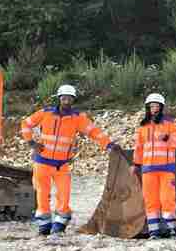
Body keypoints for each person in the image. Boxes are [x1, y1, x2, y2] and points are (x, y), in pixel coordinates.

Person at [21, 84, 117, 236]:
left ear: (73, 100)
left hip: (62, 165)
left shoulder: (78, 118)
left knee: (64, 196)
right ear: (59, 98)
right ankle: (44, 225)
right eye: (64, 97)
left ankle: (60, 224)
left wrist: (108, 144)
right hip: (42, 162)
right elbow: (26, 123)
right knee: (42, 194)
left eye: (69, 98)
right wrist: (30, 142)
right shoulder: (45, 113)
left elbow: (94, 132)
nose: (66, 100)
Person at [129, 93, 176, 239]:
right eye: (151, 106)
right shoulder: (143, 127)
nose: (154, 109)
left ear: (161, 108)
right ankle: (154, 231)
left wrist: (167, 138)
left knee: (167, 199)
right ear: (147, 108)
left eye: (156, 106)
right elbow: (139, 148)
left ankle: (172, 230)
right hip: (148, 169)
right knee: (150, 201)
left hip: (166, 169)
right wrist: (135, 164)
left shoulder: (171, 125)